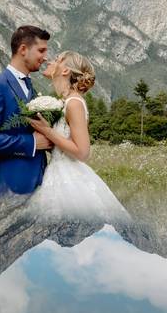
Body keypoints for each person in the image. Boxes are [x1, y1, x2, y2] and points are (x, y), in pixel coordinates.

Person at [26, 51, 130, 223]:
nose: (49, 60)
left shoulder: (74, 103)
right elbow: (64, 142)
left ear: (66, 71)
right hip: (56, 173)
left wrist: (48, 132)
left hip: (69, 178)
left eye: (57, 59)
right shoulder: (66, 102)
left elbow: (82, 152)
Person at [0, 25, 54, 202]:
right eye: (41, 50)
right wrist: (31, 142)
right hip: (3, 191)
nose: (44, 57)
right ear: (23, 49)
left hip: (36, 190)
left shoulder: (33, 90)